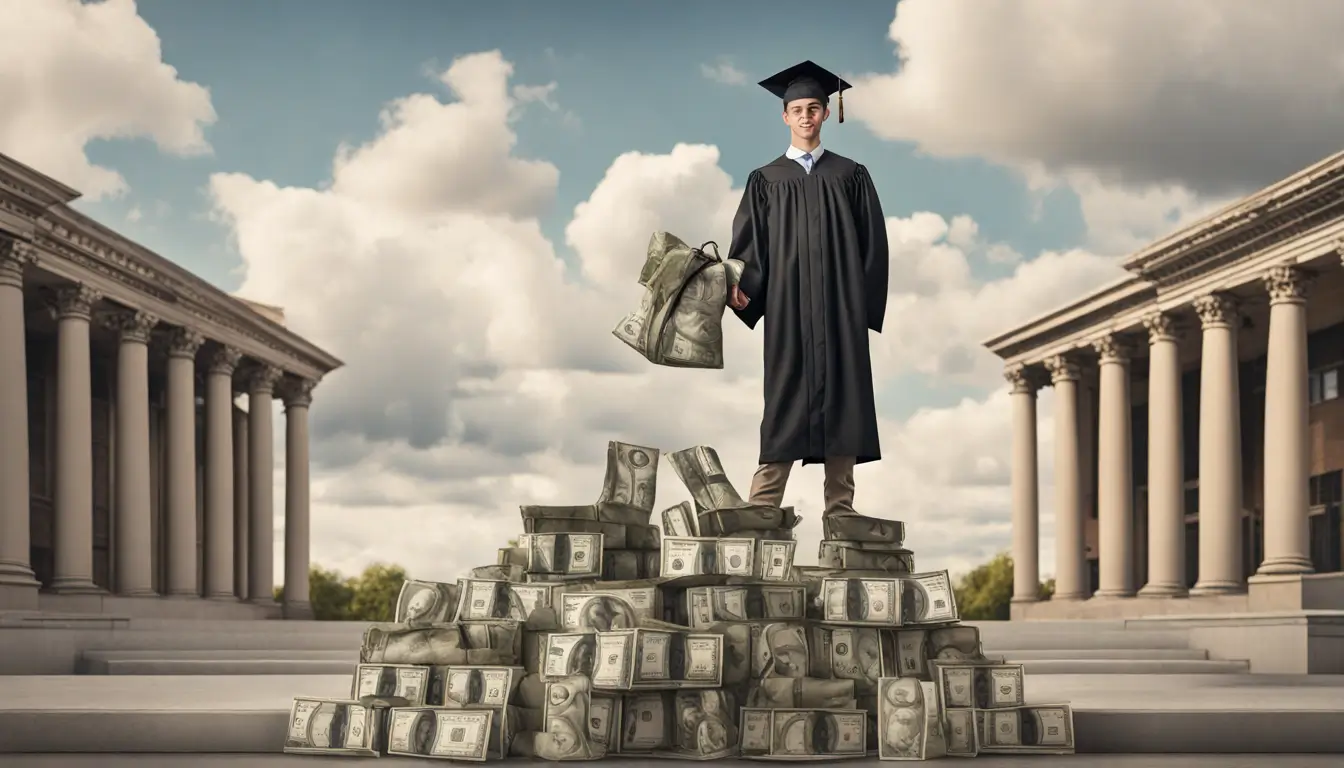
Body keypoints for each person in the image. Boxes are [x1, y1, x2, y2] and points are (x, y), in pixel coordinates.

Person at [726, 60, 889, 518]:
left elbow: (873, 243)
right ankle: (762, 506)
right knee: (784, 396)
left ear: (824, 114)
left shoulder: (850, 174)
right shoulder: (766, 180)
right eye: (797, 109)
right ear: (785, 116)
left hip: (841, 308)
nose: (805, 116)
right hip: (787, 308)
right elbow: (749, 243)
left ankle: (841, 509)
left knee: (844, 398)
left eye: (813, 108)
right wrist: (743, 288)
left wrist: (862, 307)